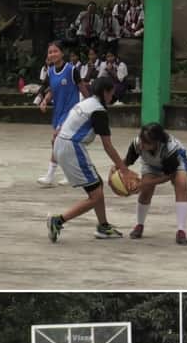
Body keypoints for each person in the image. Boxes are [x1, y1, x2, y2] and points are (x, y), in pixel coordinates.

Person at [47, 77, 131, 242]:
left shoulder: (85, 103)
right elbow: (108, 146)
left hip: (63, 144)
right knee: (96, 196)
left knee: (97, 186)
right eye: (111, 93)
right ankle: (58, 221)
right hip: (72, 147)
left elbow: (61, 128)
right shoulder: (98, 111)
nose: (112, 97)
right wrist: (124, 168)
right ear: (105, 92)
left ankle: (103, 226)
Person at [124, 122, 187, 245]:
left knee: (181, 185)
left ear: (157, 142)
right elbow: (127, 161)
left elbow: (170, 175)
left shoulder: (171, 148)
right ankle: (139, 225)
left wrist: (146, 183)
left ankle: (181, 230)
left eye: (146, 143)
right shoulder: (137, 144)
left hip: (176, 163)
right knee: (146, 191)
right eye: (141, 140)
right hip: (150, 164)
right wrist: (116, 169)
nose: (142, 144)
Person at [38, 42, 89, 188]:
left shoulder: (72, 70)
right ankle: (70, 174)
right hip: (57, 112)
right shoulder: (51, 72)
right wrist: (44, 101)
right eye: (50, 52)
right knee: (66, 145)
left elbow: (82, 89)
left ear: (62, 53)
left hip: (70, 112)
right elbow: (52, 90)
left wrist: (92, 104)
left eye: (55, 51)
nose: (52, 54)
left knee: (56, 140)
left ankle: (49, 176)